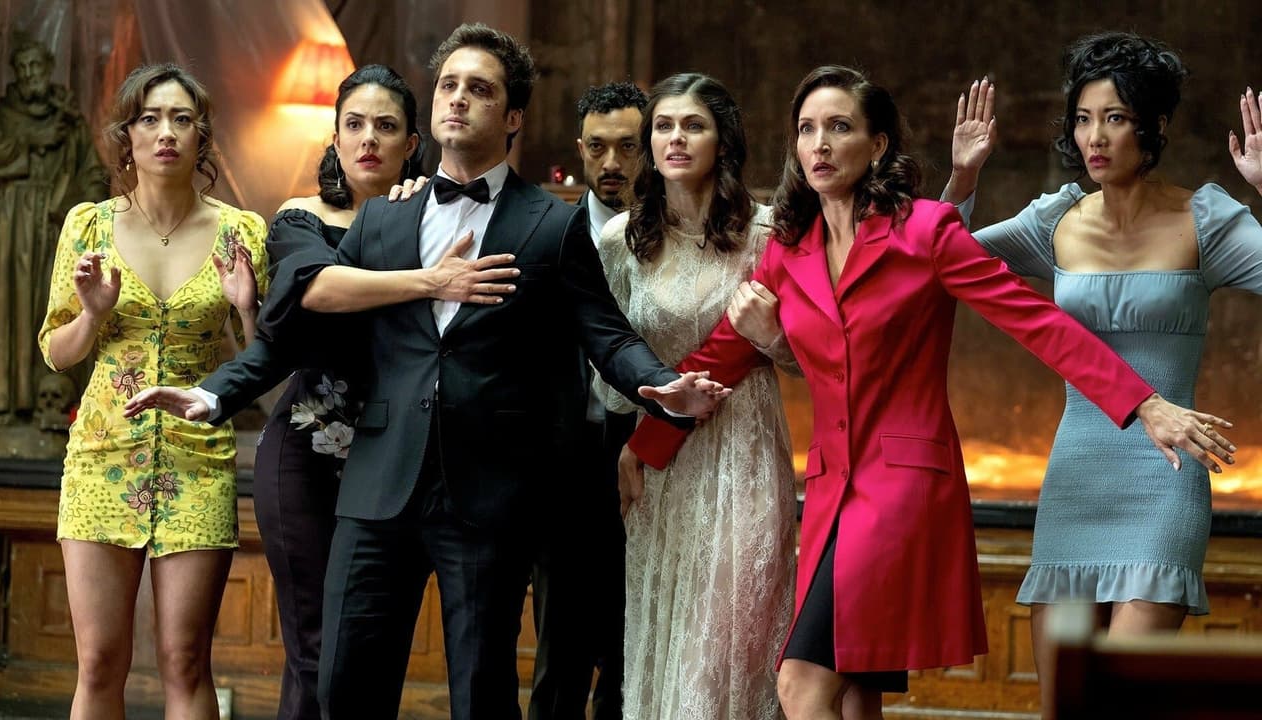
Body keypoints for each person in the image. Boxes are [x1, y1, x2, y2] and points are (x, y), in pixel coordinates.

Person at [130, 23, 725, 720]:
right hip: (378, 482)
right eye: (448, 85)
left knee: (480, 694)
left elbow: (606, 333)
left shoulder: (550, 223)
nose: (458, 98)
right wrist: (214, 394)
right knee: (345, 684)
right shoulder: (383, 219)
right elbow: (301, 336)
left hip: (490, 491)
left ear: (513, 117)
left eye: (480, 89)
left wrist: (659, 386)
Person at [624, 64, 1234, 720]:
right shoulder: (790, 249)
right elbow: (723, 353)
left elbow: (1037, 322)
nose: (820, 144)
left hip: (901, 492)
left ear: (878, 144)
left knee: (801, 686)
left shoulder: (927, 232)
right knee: (854, 698)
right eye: (807, 129)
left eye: (839, 127)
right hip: (829, 492)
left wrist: (1143, 403)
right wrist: (646, 442)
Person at [123, 63, 519, 720]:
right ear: (334, 139)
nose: (368, 140)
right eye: (354, 125)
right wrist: (217, 389)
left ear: (411, 143)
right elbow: (310, 298)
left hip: (407, 457)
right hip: (309, 450)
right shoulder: (300, 218)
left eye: (385, 127)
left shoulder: (436, 219)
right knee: (316, 649)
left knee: (370, 655)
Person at [945, 33, 1262, 711]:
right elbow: (940, 263)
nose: (1095, 136)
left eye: (1115, 118)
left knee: (1119, 702)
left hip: (1164, 481)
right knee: (1063, 703)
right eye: (1084, 118)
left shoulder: (1206, 220)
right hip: (1076, 479)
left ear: (1154, 126)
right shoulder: (1054, 221)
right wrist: (964, 179)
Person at [37, 63, 268, 720]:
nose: (166, 132)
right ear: (128, 135)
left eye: (181, 119)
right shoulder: (88, 226)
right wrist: (92, 314)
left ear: (202, 137)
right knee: (99, 662)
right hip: (102, 456)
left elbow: (260, 366)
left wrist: (248, 310)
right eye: (150, 118)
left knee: (185, 659)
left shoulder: (241, 232)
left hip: (198, 459)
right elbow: (56, 352)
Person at [597, 72, 797, 720]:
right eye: (664, 126)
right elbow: (607, 369)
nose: (676, 138)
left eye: (694, 125)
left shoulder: (769, 234)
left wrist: (770, 337)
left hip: (744, 455)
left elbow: (809, 362)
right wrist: (645, 417)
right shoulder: (620, 239)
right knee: (669, 643)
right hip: (663, 467)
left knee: (725, 649)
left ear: (723, 141)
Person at [528, 80, 647, 720]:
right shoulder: (549, 233)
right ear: (579, 149)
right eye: (597, 147)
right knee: (561, 653)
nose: (611, 163)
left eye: (627, 147)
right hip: (565, 463)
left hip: (652, 457)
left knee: (633, 651)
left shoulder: (675, 237)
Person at [0, 35, 105, 425]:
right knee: (9, 309)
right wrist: (31, 141)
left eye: (36, 65)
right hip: (12, 223)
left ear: (49, 68)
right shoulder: (3, 115)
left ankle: (51, 403)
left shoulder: (70, 120)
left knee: (50, 306)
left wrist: (77, 209)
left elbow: (94, 173)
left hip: (55, 227)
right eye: (22, 68)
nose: (30, 74)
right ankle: (5, 403)